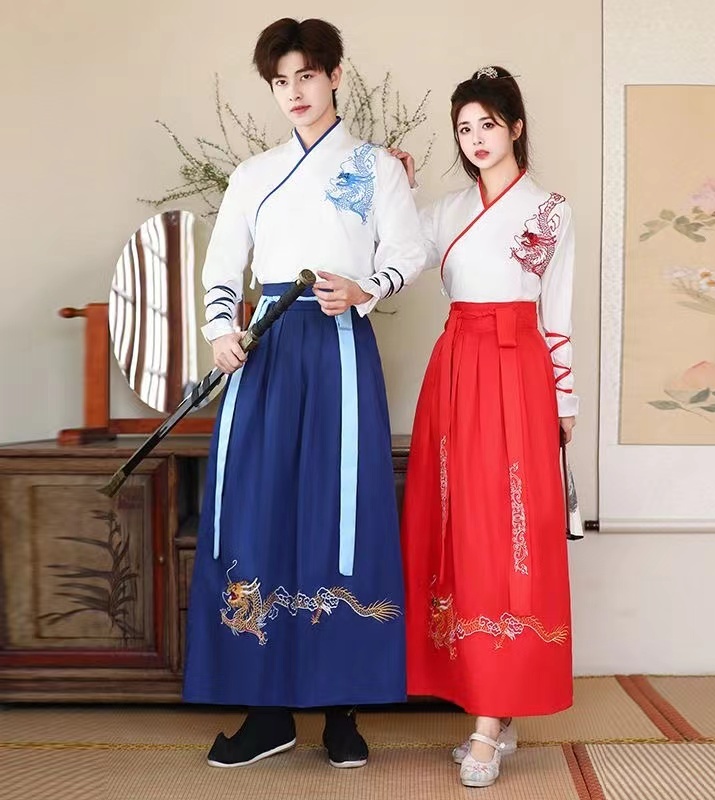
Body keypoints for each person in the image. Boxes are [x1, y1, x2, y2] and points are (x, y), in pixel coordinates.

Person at [183, 17, 427, 771]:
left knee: (339, 508)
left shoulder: (375, 167)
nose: (294, 92)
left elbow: (410, 249)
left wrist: (366, 287)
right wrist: (221, 330)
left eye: (307, 76)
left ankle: (343, 709)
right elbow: (223, 264)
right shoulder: (254, 174)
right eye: (281, 81)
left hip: (339, 342)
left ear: (335, 76)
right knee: (256, 509)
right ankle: (266, 710)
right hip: (265, 348)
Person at [393, 65, 578, 788]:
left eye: (488, 125)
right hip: (457, 367)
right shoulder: (444, 211)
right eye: (464, 129)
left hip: (519, 368)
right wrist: (397, 188)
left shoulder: (551, 211)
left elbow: (557, 311)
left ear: (516, 128)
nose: (475, 139)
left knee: (511, 534)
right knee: (460, 528)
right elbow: (397, 255)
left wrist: (564, 403)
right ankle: (488, 705)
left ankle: (490, 723)